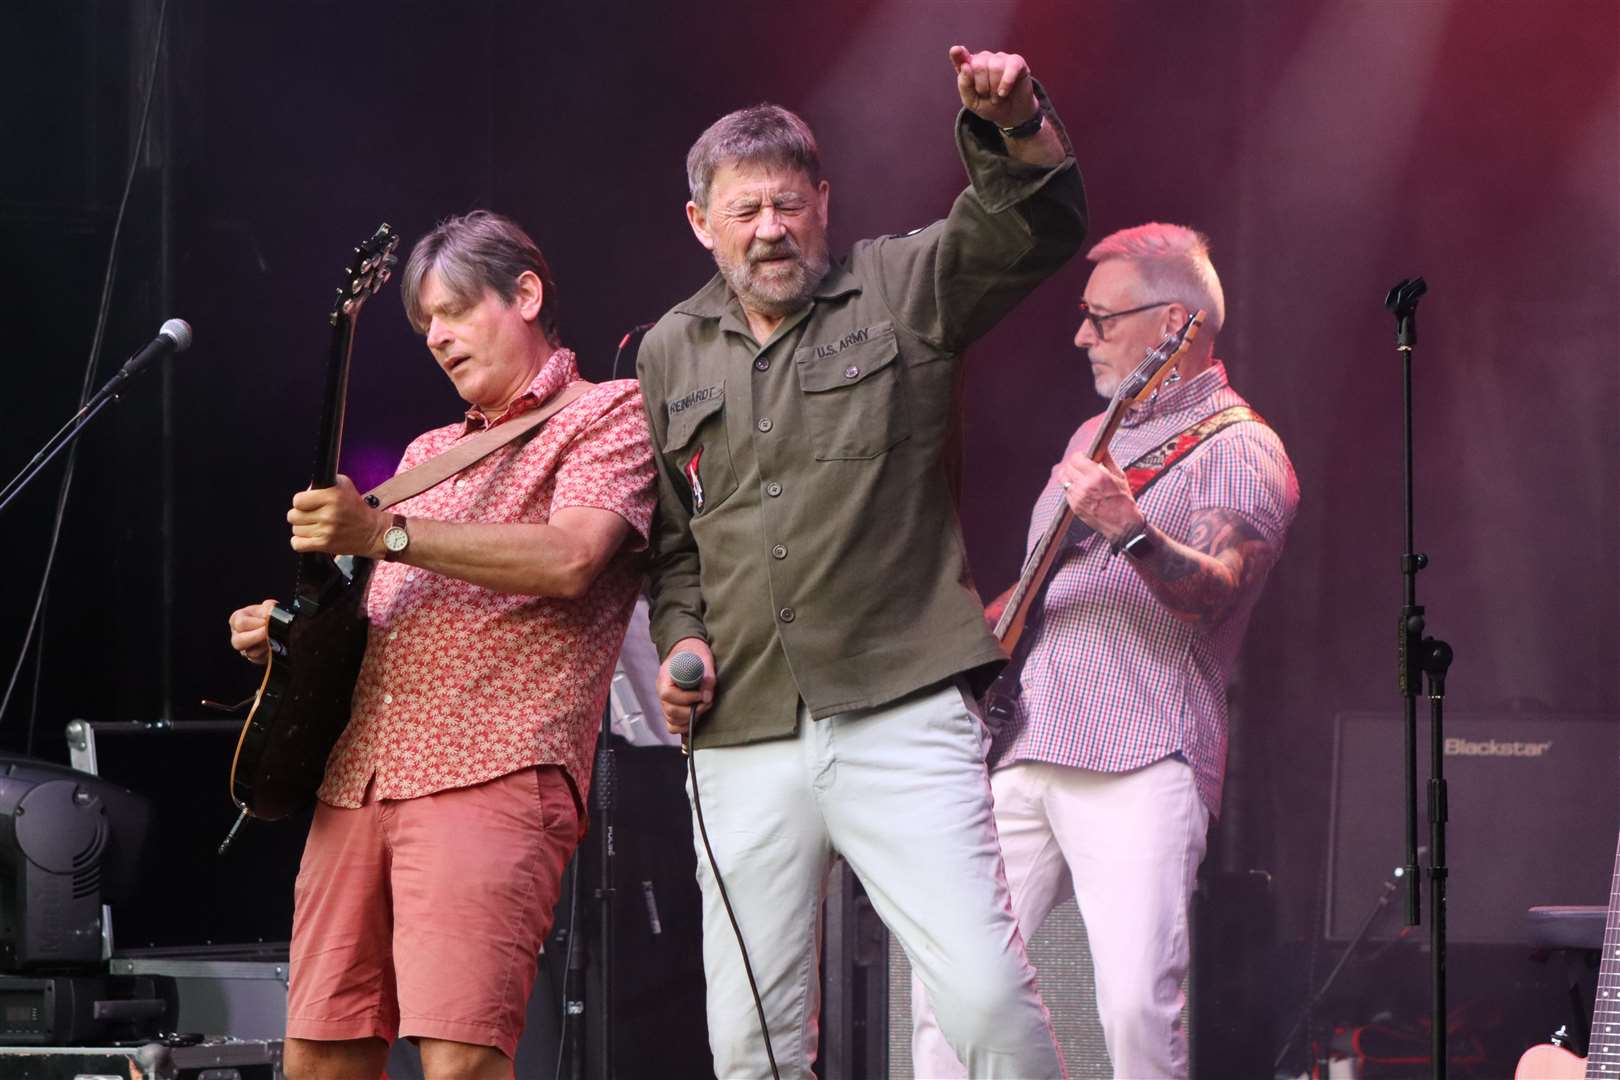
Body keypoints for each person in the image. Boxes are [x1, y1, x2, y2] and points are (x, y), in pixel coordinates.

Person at [636, 45, 1088, 1079]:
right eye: (744, 212)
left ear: (823, 204)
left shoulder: (899, 287)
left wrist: (1015, 124)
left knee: (986, 1004)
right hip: (743, 724)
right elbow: (674, 547)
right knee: (750, 1043)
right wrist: (682, 637)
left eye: (788, 205)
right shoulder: (668, 351)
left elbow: (1038, 229)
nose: (770, 230)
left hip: (900, 700)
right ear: (701, 224)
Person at [225, 211, 655, 1080]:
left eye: (456, 311)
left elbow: (573, 557)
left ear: (526, 294)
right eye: (426, 326)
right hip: (360, 778)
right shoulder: (428, 454)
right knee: (318, 1056)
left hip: (491, 767)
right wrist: (288, 636)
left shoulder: (610, 415)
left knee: (459, 1059)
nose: (440, 339)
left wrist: (384, 532)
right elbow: (380, 623)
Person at [912, 222, 1301, 1079]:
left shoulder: (1244, 447)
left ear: (1176, 327)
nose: (1081, 334)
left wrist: (1131, 530)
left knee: (1132, 1008)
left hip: (1143, 754)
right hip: (1026, 742)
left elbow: (1219, 587)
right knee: (953, 989)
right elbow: (1039, 588)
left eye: (1101, 317)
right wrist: (941, 648)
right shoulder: (1091, 436)